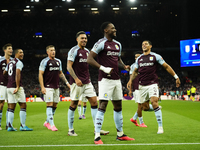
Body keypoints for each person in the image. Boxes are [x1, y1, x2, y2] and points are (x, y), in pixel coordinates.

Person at [87, 22, 134, 144]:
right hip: (105, 80)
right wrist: (103, 68)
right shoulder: (101, 43)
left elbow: (117, 59)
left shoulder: (118, 45)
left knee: (118, 106)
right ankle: (97, 136)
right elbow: (89, 59)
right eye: (112, 28)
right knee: (102, 105)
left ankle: (120, 134)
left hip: (116, 79)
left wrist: (124, 66)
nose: (115, 29)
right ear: (106, 30)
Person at [127, 40, 181, 134]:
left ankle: (160, 127)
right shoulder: (139, 59)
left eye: (146, 44)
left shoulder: (155, 56)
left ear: (150, 46)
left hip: (152, 84)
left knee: (154, 102)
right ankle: (157, 108)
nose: (144, 45)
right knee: (145, 107)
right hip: (142, 86)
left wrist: (176, 77)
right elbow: (135, 72)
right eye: (142, 44)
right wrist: (130, 81)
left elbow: (166, 66)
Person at [67, 31, 109, 136]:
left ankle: (97, 129)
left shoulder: (87, 51)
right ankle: (70, 130)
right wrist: (76, 79)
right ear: (77, 39)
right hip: (77, 83)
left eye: (85, 38)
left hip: (87, 82)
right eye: (82, 38)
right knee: (74, 104)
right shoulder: (73, 50)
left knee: (94, 102)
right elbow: (69, 66)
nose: (84, 40)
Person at [39, 45, 70, 131]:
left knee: (55, 104)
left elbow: (60, 73)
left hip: (56, 86)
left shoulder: (58, 61)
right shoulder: (44, 61)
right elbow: (40, 74)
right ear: (47, 52)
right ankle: (52, 125)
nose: (53, 52)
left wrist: (67, 83)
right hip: (48, 87)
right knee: (49, 104)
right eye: (51, 50)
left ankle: (47, 122)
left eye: (54, 50)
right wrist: (42, 87)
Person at [4, 49, 33, 131]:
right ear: (16, 54)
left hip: (9, 87)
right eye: (20, 52)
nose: (22, 54)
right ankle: (23, 126)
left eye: (23, 52)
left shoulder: (10, 62)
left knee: (11, 107)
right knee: (23, 105)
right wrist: (17, 86)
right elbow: (17, 73)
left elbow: (4, 73)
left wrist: (10, 78)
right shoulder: (19, 63)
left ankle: (9, 126)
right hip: (16, 87)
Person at [129, 51, 154, 128]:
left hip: (143, 87)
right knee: (140, 105)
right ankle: (141, 122)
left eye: (138, 57)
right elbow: (131, 78)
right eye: (135, 57)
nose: (136, 58)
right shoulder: (133, 66)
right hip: (137, 88)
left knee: (143, 105)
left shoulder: (144, 66)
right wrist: (130, 90)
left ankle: (134, 118)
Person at [0, 43, 13, 130]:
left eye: (11, 49)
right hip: (1, 84)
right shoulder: (0, 60)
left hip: (10, 85)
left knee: (10, 104)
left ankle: (8, 124)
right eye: (9, 48)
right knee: (1, 103)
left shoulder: (13, 60)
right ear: (5, 50)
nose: (11, 50)